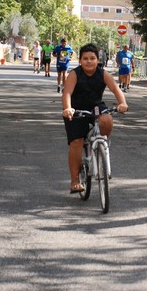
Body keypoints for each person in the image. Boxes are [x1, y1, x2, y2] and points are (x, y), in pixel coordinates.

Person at [61, 43, 128, 193]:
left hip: (96, 106)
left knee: (107, 120)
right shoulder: (74, 74)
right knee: (77, 142)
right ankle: (75, 181)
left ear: (98, 60)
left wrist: (122, 103)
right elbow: (67, 93)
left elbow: (116, 89)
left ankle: (100, 149)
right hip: (76, 110)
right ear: (80, 60)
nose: (89, 61)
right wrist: (67, 108)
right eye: (85, 58)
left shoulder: (103, 74)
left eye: (92, 58)